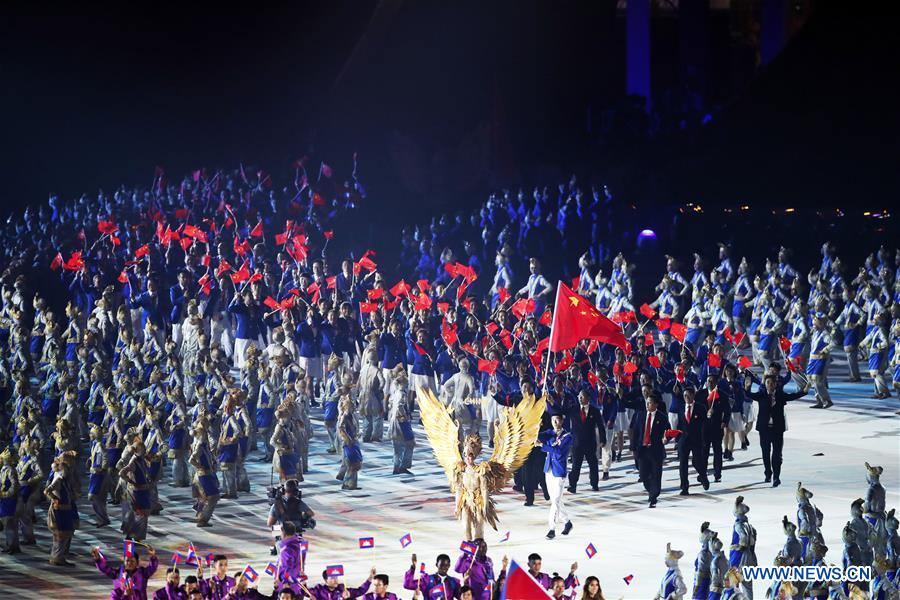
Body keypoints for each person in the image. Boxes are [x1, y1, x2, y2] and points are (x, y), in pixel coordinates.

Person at [746, 373, 809, 487]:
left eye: (772, 383)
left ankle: (776, 477)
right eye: (767, 383)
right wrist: (747, 387)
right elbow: (748, 394)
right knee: (765, 453)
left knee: (777, 454)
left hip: (777, 429)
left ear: (775, 384)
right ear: (765, 384)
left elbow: (792, 396)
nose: (770, 385)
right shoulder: (761, 395)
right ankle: (768, 472)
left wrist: (804, 391)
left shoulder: (780, 395)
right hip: (764, 429)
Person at [538, 413, 574, 539]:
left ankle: (552, 529)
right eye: (553, 420)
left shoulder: (568, 436)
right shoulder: (550, 432)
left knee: (556, 500)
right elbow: (537, 436)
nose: (554, 422)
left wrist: (543, 445)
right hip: (548, 470)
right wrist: (537, 426)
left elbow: (558, 451)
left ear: (562, 420)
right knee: (555, 500)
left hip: (559, 472)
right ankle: (567, 522)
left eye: (557, 420)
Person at [631, 392, 668, 508]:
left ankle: (653, 496)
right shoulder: (640, 415)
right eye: (646, 402)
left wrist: (666, 438)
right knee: (643, 475)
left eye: (650, 403)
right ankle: (651, 490)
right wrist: (633, 446)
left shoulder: (662, 417)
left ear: (656, 404)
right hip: (643, 449)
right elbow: (636, 432)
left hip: (656, 450)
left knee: (656, 475)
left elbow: (668, 431)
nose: (647, 405)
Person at [566, 389, 605, 494]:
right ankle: (572, 485)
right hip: (577, 443)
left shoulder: (594, 411)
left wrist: (602, 440)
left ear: (588, 398)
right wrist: (551, 402)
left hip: (590, 442)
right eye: (579, 396)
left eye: (582, 397)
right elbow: (561, 411)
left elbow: (601, 426)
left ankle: (594, 484)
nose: (580, 398)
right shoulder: (573, 409)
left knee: (593, 464)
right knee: (576, 465)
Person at [673, 388, 709, 496]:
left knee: (697, 461)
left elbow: (704, 425)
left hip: (696, 439)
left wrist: (704, 439)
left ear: (693, 396)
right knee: (683, 463)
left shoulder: (700, 408)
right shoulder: (680, 408)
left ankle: (703, 477)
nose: (687, 398)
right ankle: (684, 487)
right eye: (685, 396)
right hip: (683, 440)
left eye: (688, 396)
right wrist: (677, 439)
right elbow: (679, 424)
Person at [92, 544, 159, 599]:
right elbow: (105, 569)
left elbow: (152, 567)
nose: (129, 563)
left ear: (137, 563)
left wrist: (153, 556)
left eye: (132, 561)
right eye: (127, 561)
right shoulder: (117, 574)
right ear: (124, 562)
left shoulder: (142, 573)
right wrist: (98, 559)